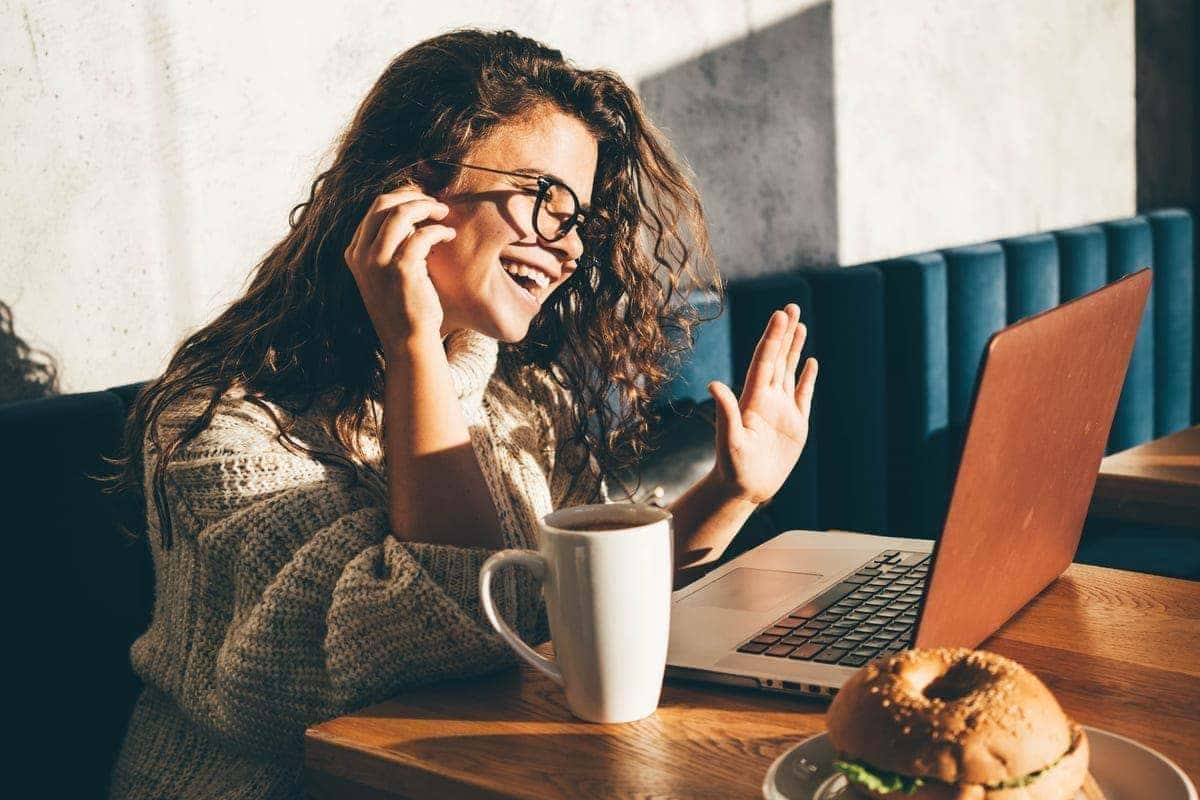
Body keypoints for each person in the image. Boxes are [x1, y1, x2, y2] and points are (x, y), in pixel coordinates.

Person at [109, 28, 818, 799]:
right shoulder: (217, 430)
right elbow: (444, 631)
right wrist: (411, 345)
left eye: (579, 217)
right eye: (546, 197)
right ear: (417, 186)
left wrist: (734, 489)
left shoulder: (517, 399)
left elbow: (581, 605)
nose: (570, 246)